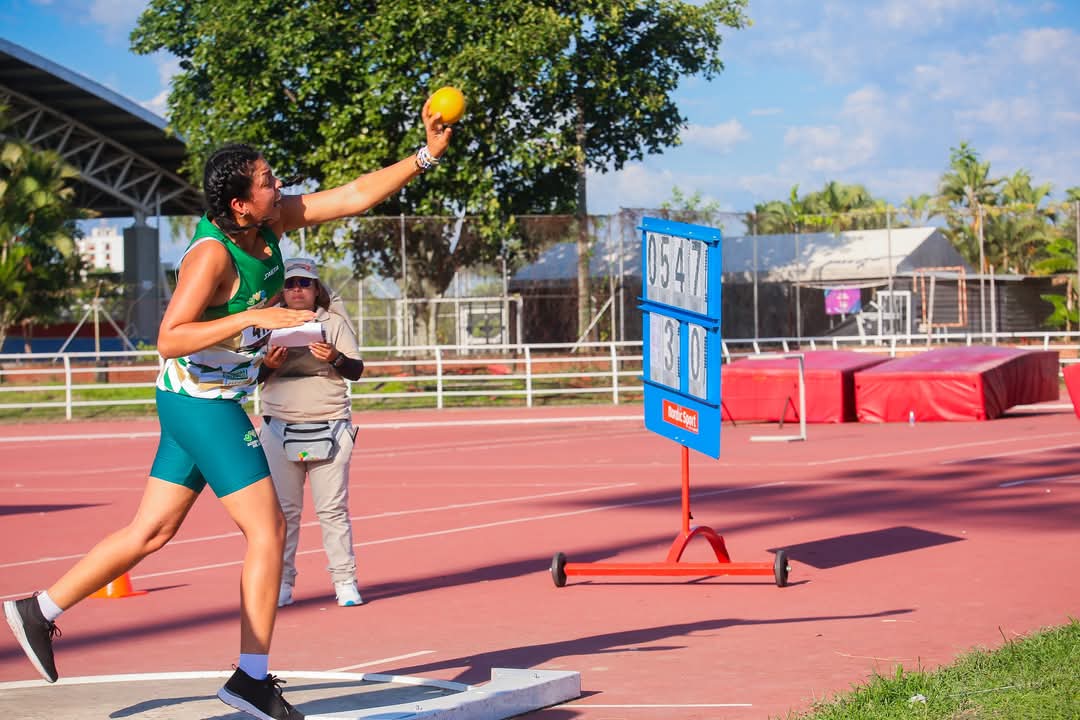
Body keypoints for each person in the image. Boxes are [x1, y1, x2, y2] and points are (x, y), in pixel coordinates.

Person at [3, 99, 452, 720]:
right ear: (240, 203)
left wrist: (426, 153)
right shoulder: (212, 255)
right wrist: (253, 317)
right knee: (267, 531)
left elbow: (351, 195)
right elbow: (168, 336)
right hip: (204, 404)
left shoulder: (269, 227)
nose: (280, 185)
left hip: (194, 398)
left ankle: (40, 609)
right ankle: (250, 677)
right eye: (269, 181)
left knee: (153, 530)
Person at [259, 258, 365, 609]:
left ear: (316, 288)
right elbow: (248, 376)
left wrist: (334, 358)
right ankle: (283, 583)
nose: (297, 290)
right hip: (279, 426)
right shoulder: (265, 324)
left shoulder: (333, 323)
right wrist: (267, 365)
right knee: (284, 513)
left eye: (305, 283)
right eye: (290, 284)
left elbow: (356, 370)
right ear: (282, 290)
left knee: (332, 510)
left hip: (330, 423)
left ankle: (344, 581)